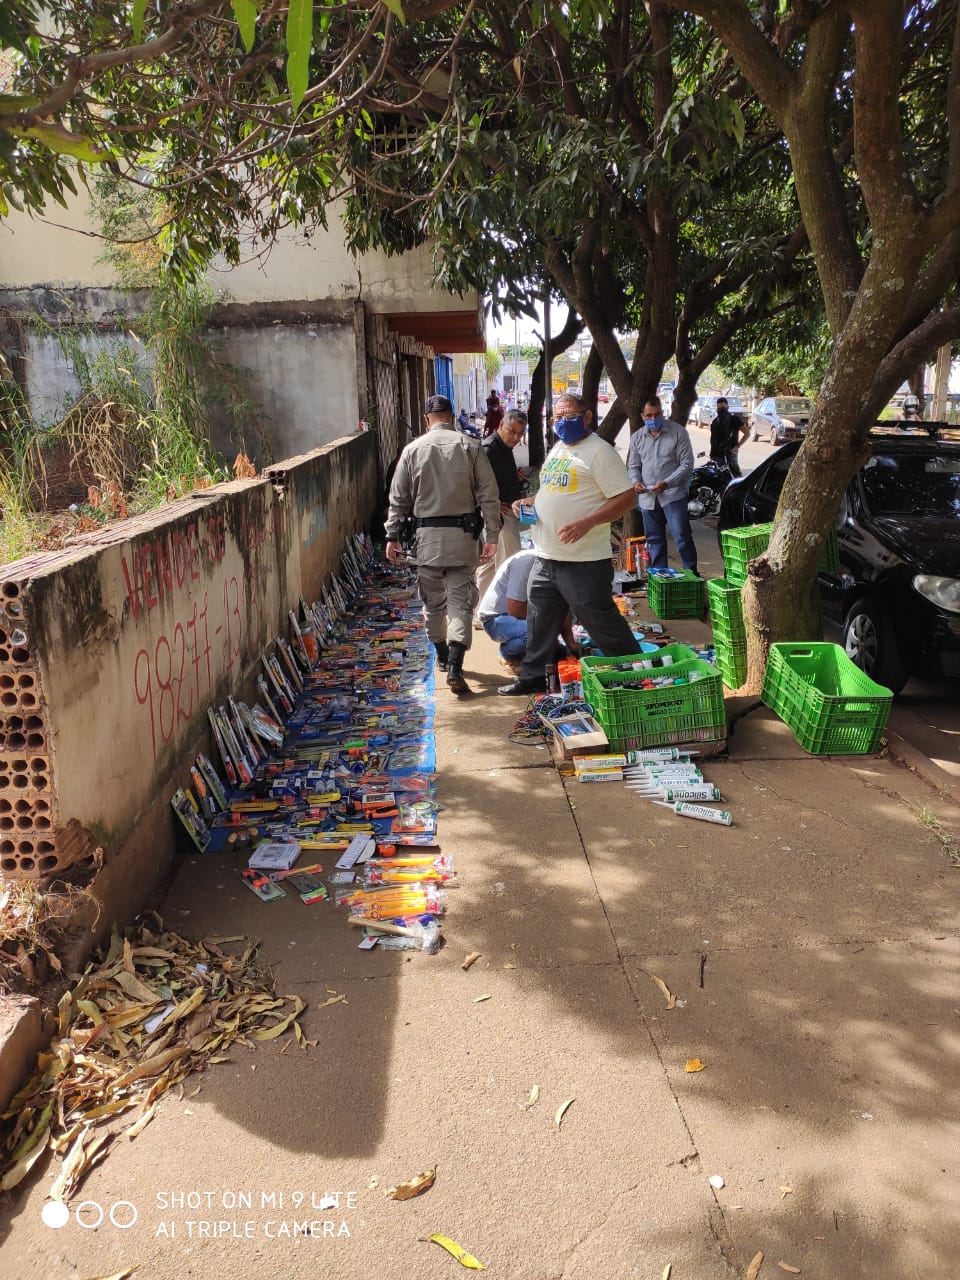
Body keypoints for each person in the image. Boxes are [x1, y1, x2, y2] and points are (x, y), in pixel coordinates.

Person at [498, 392, 638, 696]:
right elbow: (550, 491)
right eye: (557, 418)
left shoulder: (600, 453)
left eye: (569, 416)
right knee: (540, 619)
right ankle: (534, 675)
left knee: (598, 618)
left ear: (587, 417)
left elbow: (626, 497)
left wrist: (588, 521)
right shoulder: (559, 448)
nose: (562, 422)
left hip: (583, 560)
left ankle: (634, 671)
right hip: (547, 554)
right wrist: (530, 502)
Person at [385, 394, 500, 695]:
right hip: (463, 541)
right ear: (450, 417)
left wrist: (391, 535)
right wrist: (492, 536)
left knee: (433, 604)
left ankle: (441, 655)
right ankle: (455, 666)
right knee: (461, 603)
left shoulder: (411, 450)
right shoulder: (470, 446)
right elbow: (489, 495)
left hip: (426, 544)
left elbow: (398, 499)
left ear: (427, 419)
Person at [627, 396, 699, 574]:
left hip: (673, 495)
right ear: (643, 416)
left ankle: (691, 575)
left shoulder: (678, 432)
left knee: (682, 537)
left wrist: (667, 483)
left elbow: (687, 464)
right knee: (654, 540)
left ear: (662, 412)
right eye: (649, 415)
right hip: (648, 498)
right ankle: (659, 578)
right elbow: (633, 466)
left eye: (657, 414)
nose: (653, 419)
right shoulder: (637, 438)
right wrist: (635, 482)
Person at [477, 548, 578, 674]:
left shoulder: (559, 566)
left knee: (558, 647)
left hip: (522, 615)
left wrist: (571, 644)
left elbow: (563, 607)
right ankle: (507, 654)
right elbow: (515, 608)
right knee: (537, 632)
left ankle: (528, 653)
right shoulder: (525, 562)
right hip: (495, 618)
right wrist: (548, 623)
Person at [475, 408, 528, 607]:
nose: (515, 437)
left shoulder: (504, 449)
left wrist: (514, 476)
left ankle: (480, 611)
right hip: (498, 518)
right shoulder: (489, 449)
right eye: (511, 431)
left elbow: (494, 478)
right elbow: (472, 482)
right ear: (500, 426)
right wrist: (492, 504)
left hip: (501, 515)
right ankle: (508, 611)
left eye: (520, 434)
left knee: (489, 565)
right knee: (511, 564)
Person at [709, 396, 750, 477]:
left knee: (735, 474)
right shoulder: (715, 422)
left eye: (723, 408)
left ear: (728, 407)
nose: (721, 410)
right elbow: (713, 440)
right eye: (719, 408)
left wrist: (737, 446)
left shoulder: (735, 419)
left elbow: (747, 433)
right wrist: (712, 454)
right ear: (717, 409)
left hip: (731, 452)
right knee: (721, 476)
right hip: (718, 455)